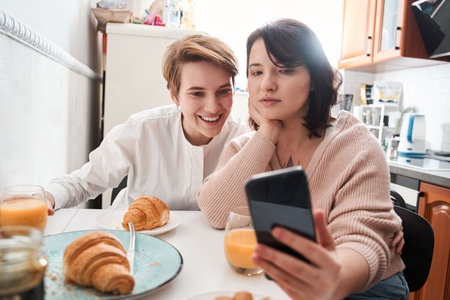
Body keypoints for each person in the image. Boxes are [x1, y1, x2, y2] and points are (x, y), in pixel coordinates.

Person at [197, 19, 408, 299]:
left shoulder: (355, 144)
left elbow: (362, 236)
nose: (267, 85)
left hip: (361, 289)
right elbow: (216, 213)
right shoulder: (247, 147)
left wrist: (336, 276)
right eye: (256, 72)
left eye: (285, 70)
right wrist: (268, 133)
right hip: (279, 282)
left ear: (314, 78)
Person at [45, 34, 250, 214]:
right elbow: (83, 182)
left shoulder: (244, 139)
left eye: (224, 91)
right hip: (134, 238)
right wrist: (47, 198)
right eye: (197, 93)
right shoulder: (142, 129)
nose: (213, 107)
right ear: (174, 95)